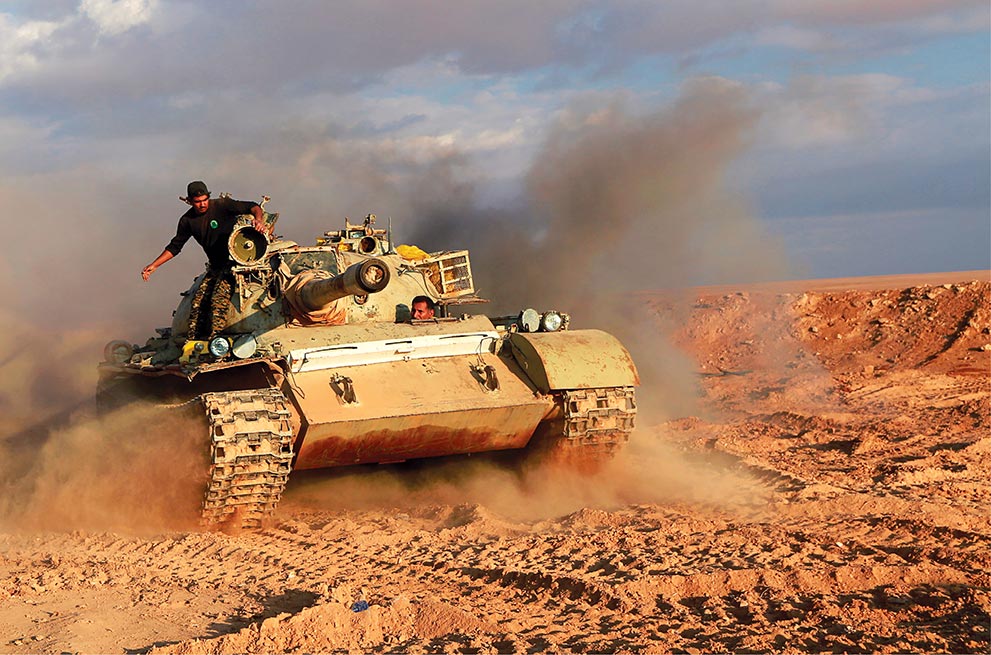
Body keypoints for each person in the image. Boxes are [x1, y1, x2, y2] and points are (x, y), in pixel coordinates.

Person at [141, 181, 267, 339]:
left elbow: (253, 206)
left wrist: (258, 220)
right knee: (197, 305)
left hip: (236, 263)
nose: (202, 204)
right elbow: (175, 246)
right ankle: (196, 344)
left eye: (204, 200)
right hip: (216, 266)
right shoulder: (187, 221)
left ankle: (218, 342)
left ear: (208, 196)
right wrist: (154, 265)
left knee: (218, 302)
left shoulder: (222, 205)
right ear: (189, 201)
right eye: (197, 202)